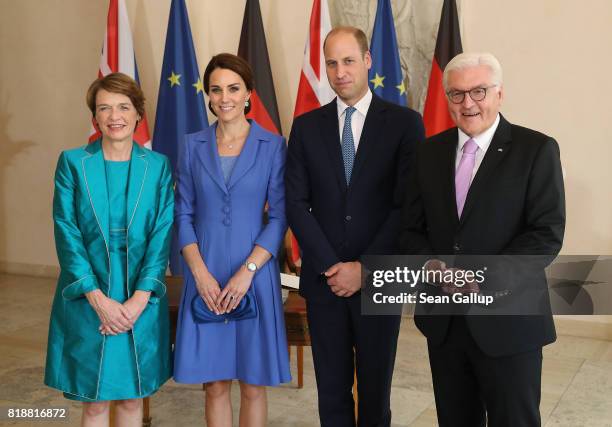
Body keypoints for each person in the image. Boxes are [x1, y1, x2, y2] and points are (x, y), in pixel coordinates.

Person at [400, 52, 565, 427]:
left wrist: (482, 278)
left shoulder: (536, 150)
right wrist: (433, 266)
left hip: (509, 321)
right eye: (457, 94)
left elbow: (545, 235)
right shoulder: (428, 153)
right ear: (447, 99)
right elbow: (410, 229)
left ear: (499, 94)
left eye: (479, 91)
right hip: (445, 320)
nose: (468, 103)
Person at [285, 27, 424, 426]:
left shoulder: (404, 124)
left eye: (348, 61)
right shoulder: (307, 126)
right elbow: (296, 203)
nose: (340, 71)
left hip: (379, 280)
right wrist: (333, 266)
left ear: (367, 61)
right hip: (325, 282)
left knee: (375, 390)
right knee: (331, 390)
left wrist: (365, 268)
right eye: (331, 63)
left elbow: (405, 206)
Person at [44, 72, 174, 426]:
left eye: (123, 107)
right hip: (89, 292)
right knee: (95, 402)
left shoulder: (158, 166)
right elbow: (66, 231)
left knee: (133, 399)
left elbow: (162, 233)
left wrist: (139, 300)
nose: (114, 116)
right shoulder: (72, 163)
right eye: (105, 108)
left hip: (139, 294)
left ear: (137, 114)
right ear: (95, 117)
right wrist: (98, 300)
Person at [173, 53, 290, 427]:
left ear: (248, 94)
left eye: (233, 88)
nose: (224, 97)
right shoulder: (192, 145)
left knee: (253, 383)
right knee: (215, 383)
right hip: (204, 273)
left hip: (254, 275)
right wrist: (200, 275)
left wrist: (248, 271)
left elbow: (280, 217)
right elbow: (183, 214)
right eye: (216, 89)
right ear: (208, 95)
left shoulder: (273, 145)